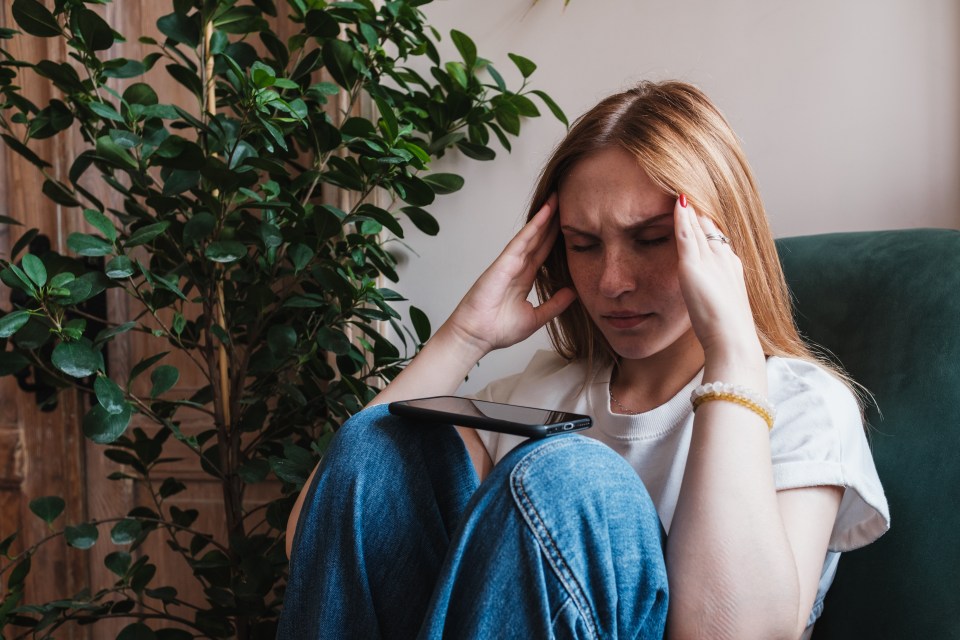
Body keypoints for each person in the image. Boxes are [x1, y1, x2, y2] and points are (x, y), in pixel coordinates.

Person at [278, 81, 889, 639]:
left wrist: (733, 353)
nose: (613, 281)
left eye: (651, 239)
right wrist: (463, 337)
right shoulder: (540, 390)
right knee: (380, 440)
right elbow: (318, 535)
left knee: (571, 476)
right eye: (583, 245)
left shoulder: (804, 404)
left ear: (721, 243)